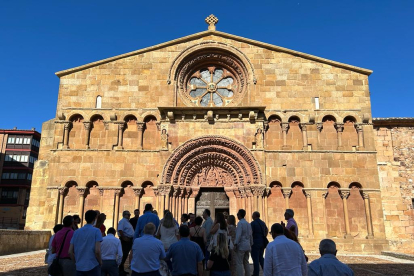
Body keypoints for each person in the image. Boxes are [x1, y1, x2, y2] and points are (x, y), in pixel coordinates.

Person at [69, 210, 103, 276]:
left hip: (79, 266)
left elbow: (70, 251)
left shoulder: (76, 232)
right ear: (95, 218)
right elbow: (97, 250)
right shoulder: (96, 231)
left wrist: (76, 262)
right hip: (93, 265)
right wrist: (100, 262)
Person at [234, 209, 252, 276]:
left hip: (241, 245)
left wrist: (235, 243)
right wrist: (251, 244)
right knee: (246, 262)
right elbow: (250, 235)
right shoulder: (248, 223)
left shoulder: (240, 223)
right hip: (247, 245)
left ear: (240, 215)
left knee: (239, 263)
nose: (237, 216)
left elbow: (238, 234)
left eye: (238, 214)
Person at [250, 211, 268, 276]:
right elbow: (266, 230)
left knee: (255, 259)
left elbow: (250, 233)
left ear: (255, 216)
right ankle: (266, 271)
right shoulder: (263, 223)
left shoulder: (253, 223)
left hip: (255, 242)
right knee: (260, 257)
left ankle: (256, 273)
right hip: (262, 242)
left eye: (252, 215)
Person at [118, 210, 135, 275]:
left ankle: (122, 269)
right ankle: (120, 270)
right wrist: (123, 237)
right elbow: (120, 230)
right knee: (124, 255)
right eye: (128, 214)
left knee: (125, 255)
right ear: (124, 215)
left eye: (129, 214)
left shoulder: (127, 222)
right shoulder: (122, 221)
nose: (129, 216)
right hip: (125, 240)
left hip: (128, 240)